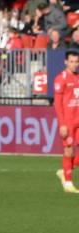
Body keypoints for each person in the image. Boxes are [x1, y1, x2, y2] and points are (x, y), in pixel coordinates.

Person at [53, 50, 79, 193]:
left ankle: (65, 170)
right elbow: (57, 103)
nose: (74, 64)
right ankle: (68, 183)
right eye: (71, 62)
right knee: (69, 151)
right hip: (68, 121)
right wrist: (62, 123)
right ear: (65, 62)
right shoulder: (60, 78)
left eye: (76, 62)